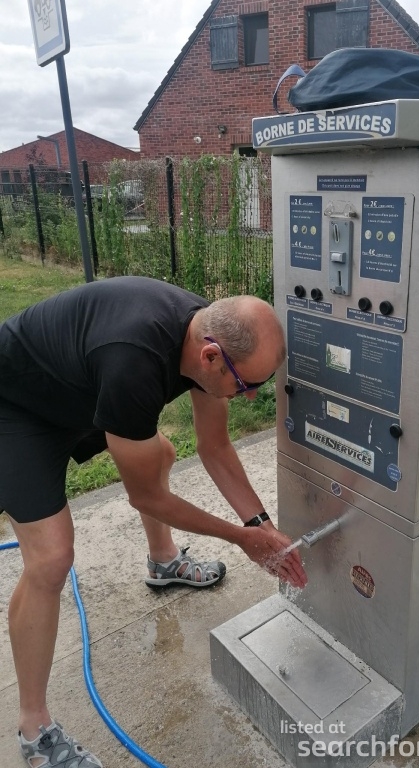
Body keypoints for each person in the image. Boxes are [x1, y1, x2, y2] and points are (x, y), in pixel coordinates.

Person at [0, 275, 307, 768]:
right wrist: (240, 538)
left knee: (159, 452)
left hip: (78, 386)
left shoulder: (207, 330)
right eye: (247, 385)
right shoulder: (134, 364)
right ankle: (35, 730)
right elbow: (146, 497)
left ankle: (163, 562)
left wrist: (261, 525)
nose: (251, 397)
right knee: (51, 558)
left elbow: (215, 447)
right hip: (16, 406)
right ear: (210, 356)